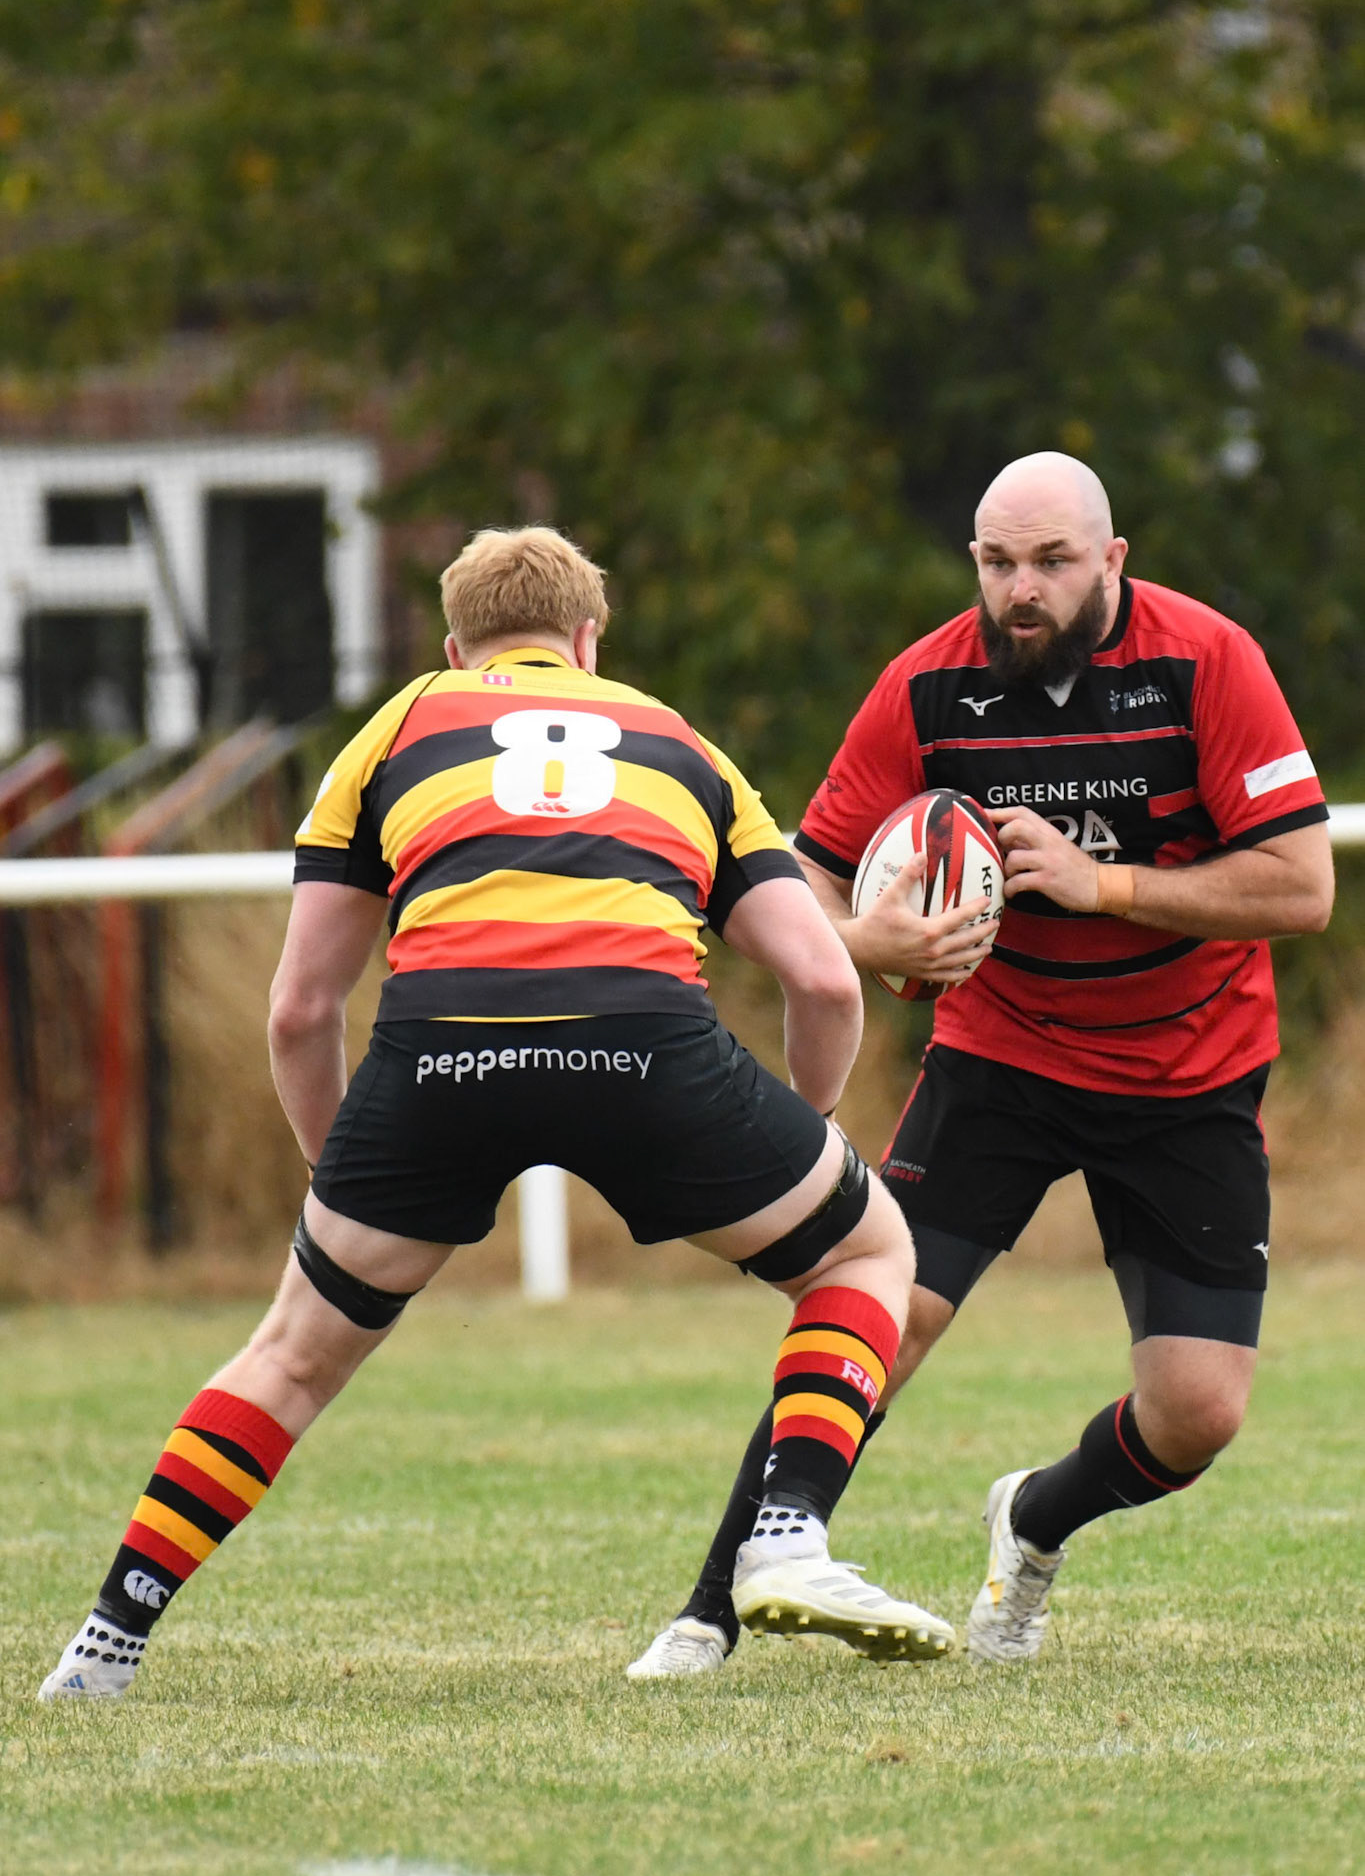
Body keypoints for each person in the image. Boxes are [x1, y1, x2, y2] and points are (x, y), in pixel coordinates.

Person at [40, 524, 957, 1702]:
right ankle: (786, 1530)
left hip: (439, 1052)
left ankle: (108, 1640)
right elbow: (825, 978)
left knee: (290, 1360)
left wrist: (348, 1174)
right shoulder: (678, 740)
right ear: (589, 640)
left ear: (454, 645)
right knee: (867, 1247)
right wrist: (801, 1140)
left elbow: (299, 1010)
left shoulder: (394, 733)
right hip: (648, 1046)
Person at [628, 451, 1333, 1677]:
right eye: (1001, 562)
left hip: (1189, 1071)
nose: (1025, 589)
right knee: (872, 1314)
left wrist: (1100, 880)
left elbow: (1301, 884)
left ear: (1112, 559)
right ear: (974, 561)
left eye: (1054, 562)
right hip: (1001, 1057)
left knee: (1197, 1413)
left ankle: (1035, 1518)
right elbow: (807, 871)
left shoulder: (1208, 660)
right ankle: (711, 1608)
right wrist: (865, 935)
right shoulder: (928, 687)